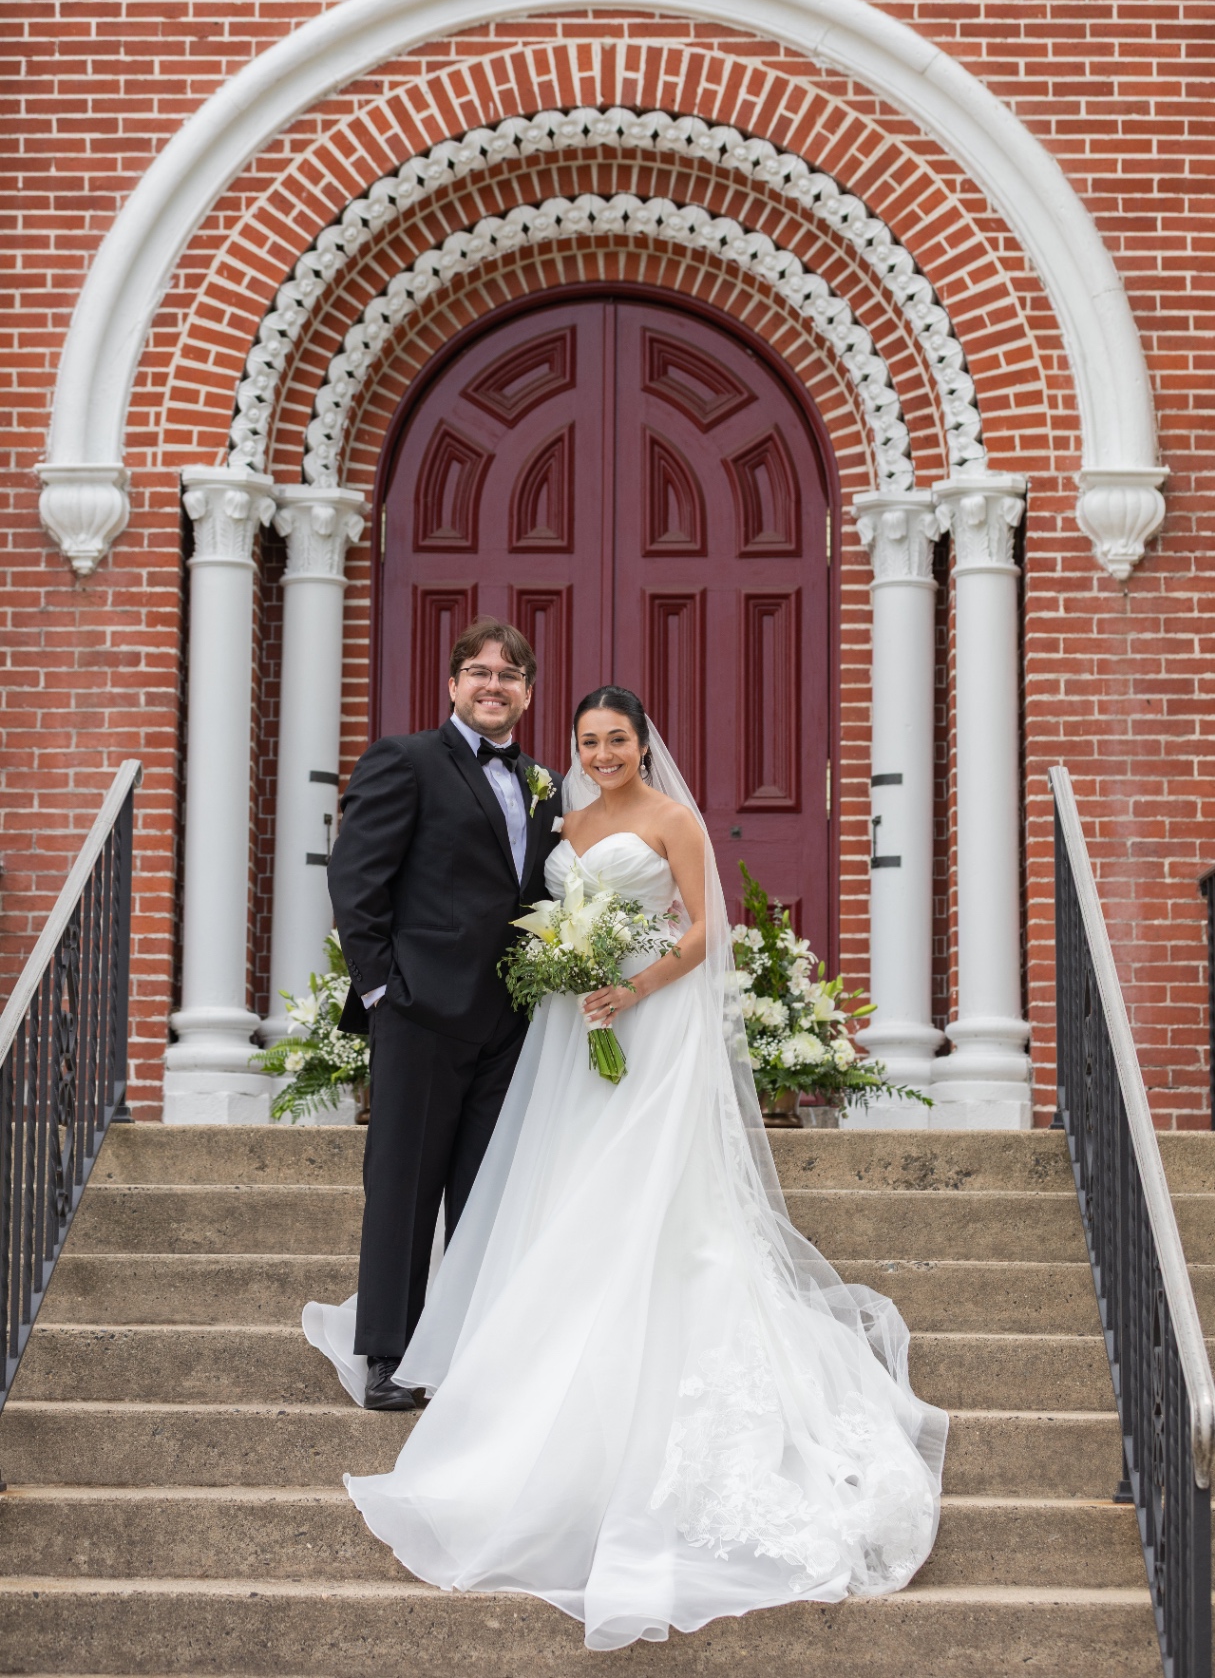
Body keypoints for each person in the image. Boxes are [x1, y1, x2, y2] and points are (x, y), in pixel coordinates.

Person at [306, 687, 947, 1646]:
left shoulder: (672, 818)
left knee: (641, 1187)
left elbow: (705, 929)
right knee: (561, 1182)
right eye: (588, 740)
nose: (602, 753)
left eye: (617, 739)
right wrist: (562, 973)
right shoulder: (560, 820)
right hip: (568, 1032)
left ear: (644, 744)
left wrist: (631, 986)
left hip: (647, 1022)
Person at [320, 617, 563, 1410]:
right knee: (402, 1185)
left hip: (511, 1020)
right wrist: (382, 991)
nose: (494, 685)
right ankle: (389, 1357)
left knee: (484, 1193)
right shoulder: (406, 760)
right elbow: (357, 879)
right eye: (479, 672)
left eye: (509, 675)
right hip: (420, 1011)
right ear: (453, 683)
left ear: (527, 693)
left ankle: (465, 1350)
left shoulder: (546, 783)